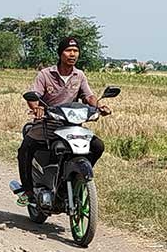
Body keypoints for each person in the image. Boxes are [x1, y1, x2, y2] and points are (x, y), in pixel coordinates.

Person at [15, 36, 111, 205]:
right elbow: (34, 95)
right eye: (68, 50)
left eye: (75, 51)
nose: (72, 54)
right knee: (25, 149)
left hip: (72, 125)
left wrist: (99, 106)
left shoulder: (79, 75)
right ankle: (28, 191)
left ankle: (78, 177)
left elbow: (88, 96)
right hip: (48, 124)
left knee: (97, 146)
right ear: (60, 53)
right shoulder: (46, 74)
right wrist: (37, 108)